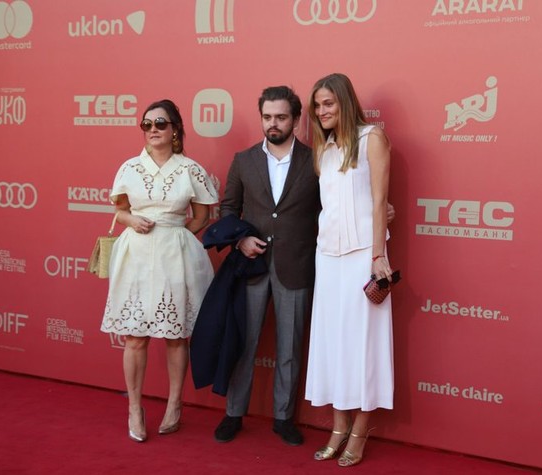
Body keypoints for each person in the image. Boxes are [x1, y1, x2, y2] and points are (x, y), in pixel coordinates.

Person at [100, 99, 218, 442]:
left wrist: (173, 233)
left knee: (175, 335)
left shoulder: (190, 169)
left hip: (174, 255)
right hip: (136, 255)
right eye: (147, 124)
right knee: (135, 337)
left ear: (175, 129)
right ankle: (135, 409)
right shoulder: (129, 168)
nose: (153, 129)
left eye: (161, 123)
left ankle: (174, 404)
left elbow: (202, 216)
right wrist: (131, 220)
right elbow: (120, 211)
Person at [213, 86, 320, 446]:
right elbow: (229, 208)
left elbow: (331, 209)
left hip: (297, 264)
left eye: (281, 117)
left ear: (296, 119)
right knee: (244, 341)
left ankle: (283, 417)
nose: (273, 123)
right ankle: (233, 413)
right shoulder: (243, 160)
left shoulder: (315, 160)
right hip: (251, 265)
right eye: (267, 117)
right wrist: (240, 240)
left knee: (290, 348)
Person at [304, 73, 394, 467]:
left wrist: (378, 256)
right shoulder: (322, 150)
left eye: (329, 103)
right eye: (317, 105)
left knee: (364, 343)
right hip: (327, 256)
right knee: (334, 343)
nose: (322, 111)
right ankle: (338, 427)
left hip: (363, 256)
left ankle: (360, 430)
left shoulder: (372, 138)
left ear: (345, 102)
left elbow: (380, 201)